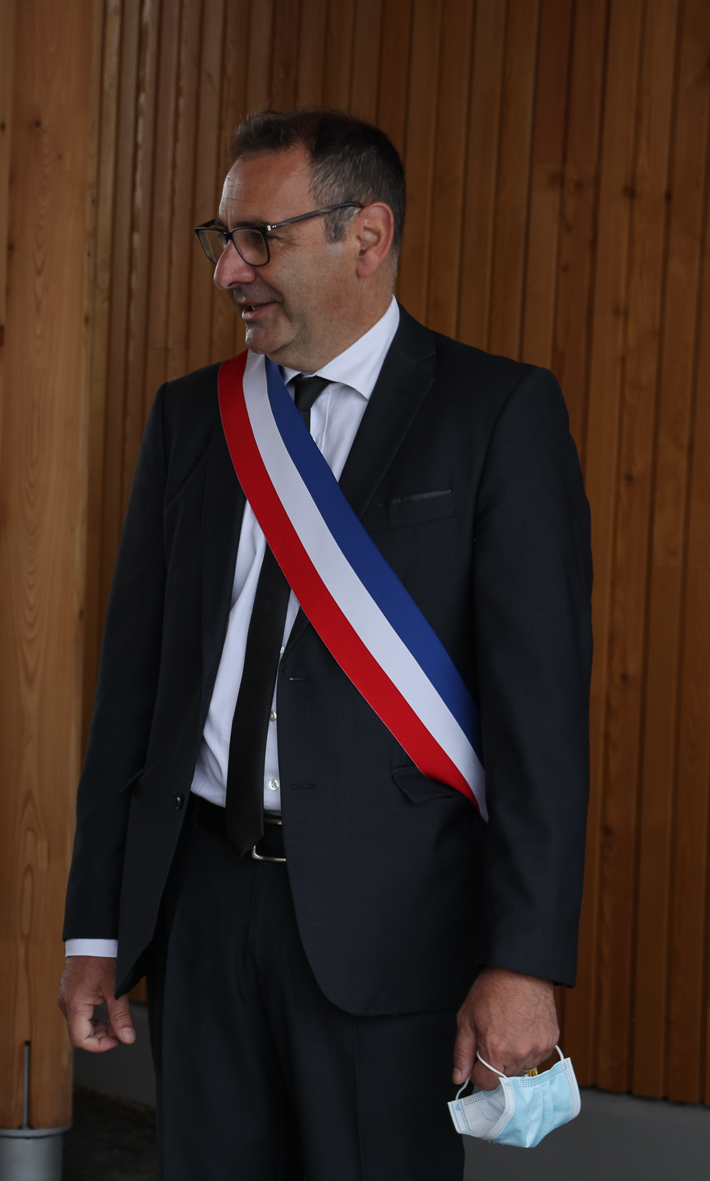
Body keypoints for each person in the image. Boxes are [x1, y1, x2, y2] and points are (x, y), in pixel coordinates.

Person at [58, 108, 591, 1179]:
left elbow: (540, 712)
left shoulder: (494, 412)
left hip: (390, 923)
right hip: (201, 903)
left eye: (262, 238)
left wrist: (522, 955)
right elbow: (135, 692)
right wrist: (94, 928)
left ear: (367, 234)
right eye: (222, 240)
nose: (230, 271)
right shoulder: (190, 419)